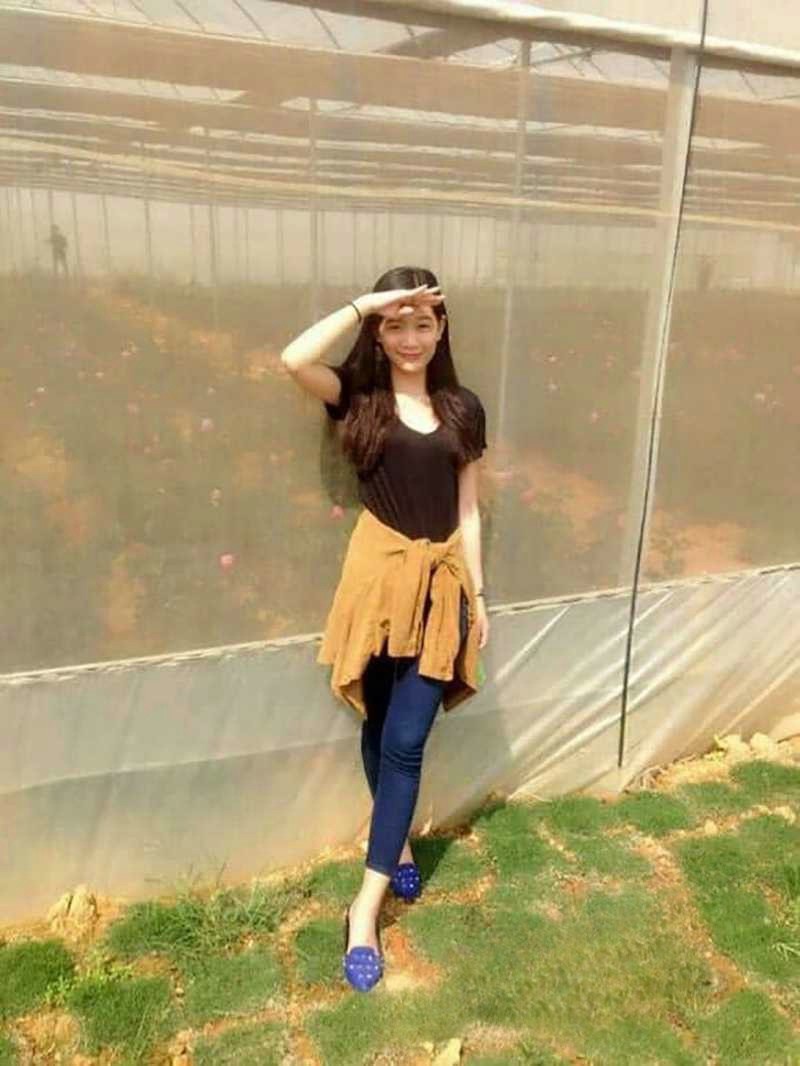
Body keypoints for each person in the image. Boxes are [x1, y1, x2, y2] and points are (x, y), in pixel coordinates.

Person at [281, 264, 489, 993]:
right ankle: (395, 846)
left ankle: (362, 911)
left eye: (422, 323)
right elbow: (293, 359)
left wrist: (479, 596)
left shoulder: (462, 408)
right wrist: (366, 303)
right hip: (376, 583)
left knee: (405, 740)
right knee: (376, 726)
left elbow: (467, 509)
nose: (410, 338)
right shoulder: (358, 399)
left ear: (442, 329)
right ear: (379, 332)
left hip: (441, 587)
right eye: (396, 325)